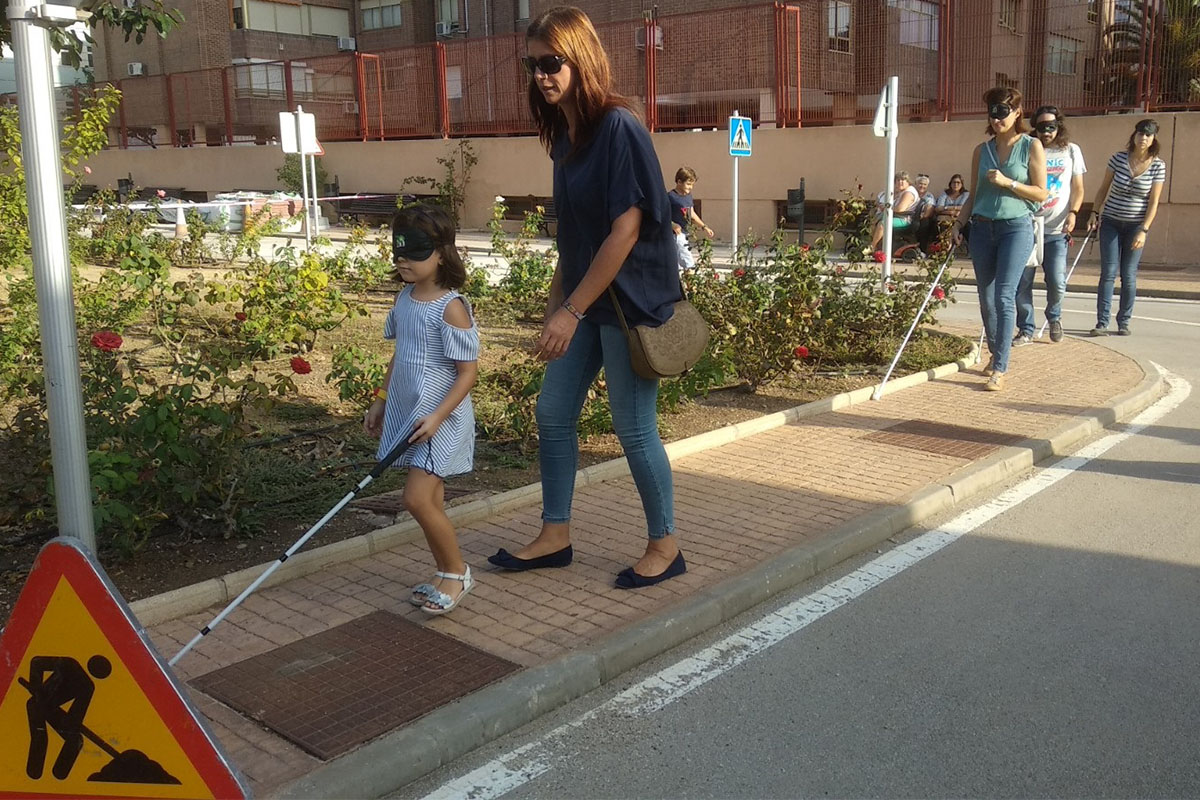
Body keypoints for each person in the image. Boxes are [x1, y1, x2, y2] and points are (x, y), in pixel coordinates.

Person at [487, 5, 686, 589]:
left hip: (629, 306)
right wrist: (556, 307)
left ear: (582, 59)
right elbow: (574, 240)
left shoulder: (619, 128)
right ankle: (556, 534)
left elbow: (625, 231)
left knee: (632, 427)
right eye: (532, 65)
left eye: (552, 62)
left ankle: (665, 545)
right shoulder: (563, 138)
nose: (541, 75)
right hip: (586, 300)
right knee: (552, 413)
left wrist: (570, 312)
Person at [365, 204, 480, 615]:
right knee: (430, 501)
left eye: (415, 253)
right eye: (399, 253)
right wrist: (381, 397)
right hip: (410, 413)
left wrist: (438, 416)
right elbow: (401, 353)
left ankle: (457, 571)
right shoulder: (406, 298)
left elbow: (467, 373)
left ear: (441, 253)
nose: (404, 262)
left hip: (440, 419)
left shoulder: (451, 306)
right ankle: (443, 571)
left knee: (415, 499)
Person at [952, 86, 1048, 391]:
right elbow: (975, 194)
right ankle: (995, 353)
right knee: (986, 298)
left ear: (1017, 112)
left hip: (1016, 227)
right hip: (982, 228)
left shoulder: (1031, 146)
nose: (996, 120)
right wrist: (959, 223)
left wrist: (1009, 183)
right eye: (992, 113)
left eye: (1002, 113)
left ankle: (1001, 367)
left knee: (1005, 295)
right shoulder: (982, 151)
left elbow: (1041, 192)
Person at [1085, 118, 1166, 337]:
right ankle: (1102, 322)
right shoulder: (1118, 159)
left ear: (1153, 139)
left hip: (1136, 225)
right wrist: (1095, 212)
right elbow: (1103, 189)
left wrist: (1144, 230)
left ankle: (1124, 322)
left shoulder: (1158, 165)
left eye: (1148, 135)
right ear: (1134, 135)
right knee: (1108, 273)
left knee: (1128, 274)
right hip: (1111, 220)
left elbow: (1154, 202)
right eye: (1140, 133)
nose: (1143, 138)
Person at [1015, 106, 1086, 345]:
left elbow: (1078, 188)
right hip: (1029, 225)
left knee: (1057, 280)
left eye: (1052, 127)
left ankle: (1054, 316)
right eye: (1042, 127)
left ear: (1059, 126)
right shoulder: (1028, 148)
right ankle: (1026, 328)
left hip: (1056, 229)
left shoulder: (1071, 151)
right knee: (1022, 281)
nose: (1047, 132)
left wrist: (1074, 213)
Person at [667, 166, 714, 271]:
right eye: (688, 184)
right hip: (675, 235)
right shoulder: (670, 197)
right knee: (688, 263)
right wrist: (672, 224)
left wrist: (704, 226)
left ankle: (684, 286)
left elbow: (692, 213)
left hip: (685, 233)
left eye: (692, 185)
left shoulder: (688, 196)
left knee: (677, 265)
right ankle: (691, 287)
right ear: (679, 181)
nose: (690, 187)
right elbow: (662, 214)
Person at [866, 171, 920, 253]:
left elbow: (900, 209)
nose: (900, 182)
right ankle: (877, 246)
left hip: (904, 219)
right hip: (898, 216)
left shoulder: (909, 193)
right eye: (897, 180)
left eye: (903, 180)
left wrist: (887, 207)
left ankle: (872, 247)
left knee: (883, 224)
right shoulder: (902, 192)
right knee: (874, 221)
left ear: (908, 181)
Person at [913, 173, 938, 252]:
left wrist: (920, 217)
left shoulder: (929, 196)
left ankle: (922, 250)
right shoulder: (911, 193)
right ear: (916, 184)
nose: (922, 186)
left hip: (923, 218)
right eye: (920, 183)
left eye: (925, 184)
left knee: (925, 223)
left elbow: (929, 210)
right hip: (909, 217)